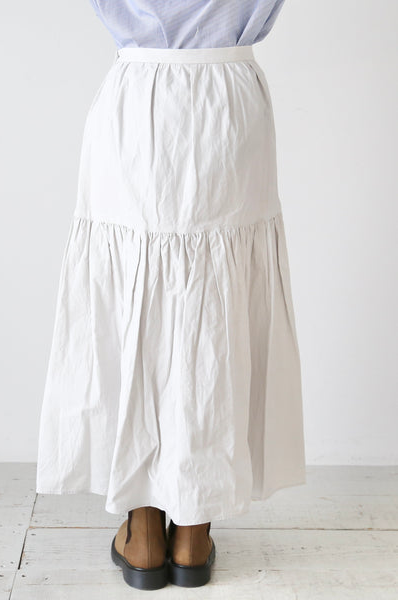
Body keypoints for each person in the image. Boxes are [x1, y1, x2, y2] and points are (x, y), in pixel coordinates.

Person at [36, 0, 306, 590]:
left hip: (140, 103)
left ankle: (143, 535)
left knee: (134, 306)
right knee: (216, 312)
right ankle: (193, 532)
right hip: (231, 104)